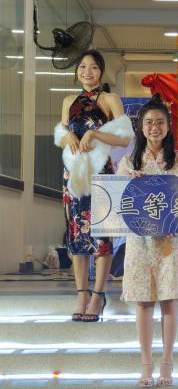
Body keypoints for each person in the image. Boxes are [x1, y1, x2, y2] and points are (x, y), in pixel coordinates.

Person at [117, 95, 178, 388]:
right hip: (140, 241)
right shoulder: (128, 161)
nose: (154, 127)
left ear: (169, 125)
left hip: (171, 240)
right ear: (141, 127)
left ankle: (167, 364)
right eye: (149, 122)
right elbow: (117, 203)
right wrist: (128, 181)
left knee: (169, 299)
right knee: (144, 300)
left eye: (160, 122)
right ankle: (146, 365)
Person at [54, 50, 133, 322]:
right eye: (83, 67)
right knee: (76, 236)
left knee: (102, 237)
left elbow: (125, 138)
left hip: (101, 174)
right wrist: (67, 138)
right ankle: (81, 295)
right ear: (77, 72)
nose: (88, 72)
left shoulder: (110, 99)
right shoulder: (68, 101)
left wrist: (95, 133)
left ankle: (98, 296)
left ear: (101, 71)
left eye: (94, 67)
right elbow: (62, 134)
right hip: (74, 175)